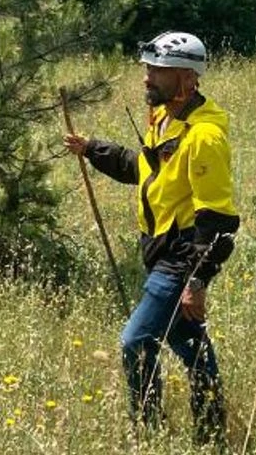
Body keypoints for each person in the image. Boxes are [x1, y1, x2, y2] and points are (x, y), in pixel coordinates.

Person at [62, 31, 239, 446]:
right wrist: (92, 149)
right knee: (189, 344)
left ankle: (148, 431)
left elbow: (219, 219)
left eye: (157, 71)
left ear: (187, 78)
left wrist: (197, 283)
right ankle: (212, 435)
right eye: (147, 69)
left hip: (180, 258)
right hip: (158, 250)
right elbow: (139, 167)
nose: (147, 78)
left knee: (137, 341)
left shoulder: (204, 137)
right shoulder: (165, 118)